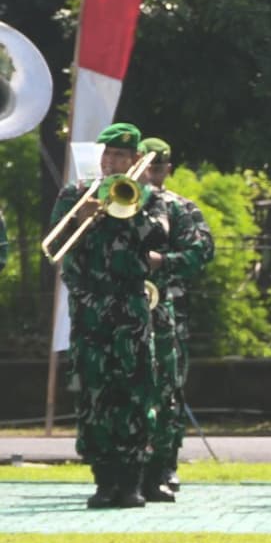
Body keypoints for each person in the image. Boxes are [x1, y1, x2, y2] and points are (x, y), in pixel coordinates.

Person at [50, 122, 163, 508]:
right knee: (94, 394)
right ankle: (103, 479)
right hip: (90, 310)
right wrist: (82, 220)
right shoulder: (75, 195)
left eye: (121, 156)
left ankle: (131, 481)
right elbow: (56, 247)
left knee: (133, 392)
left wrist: (128, 209)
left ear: (134, 160)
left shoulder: (146, 196)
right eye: (109, 155)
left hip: (130, 309)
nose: (113, 162)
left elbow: (158, 239)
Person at [139, 137, 212, 503]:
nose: (148, 174)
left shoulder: (181, 208)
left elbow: (202, 251)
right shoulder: (115, 201)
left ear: (167, 169)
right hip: (123, 311)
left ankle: (164, 466)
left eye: (155, 167)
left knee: (167, 391)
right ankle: (130, 467)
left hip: (167, 311)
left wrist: (162, 262)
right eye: (144, 165)